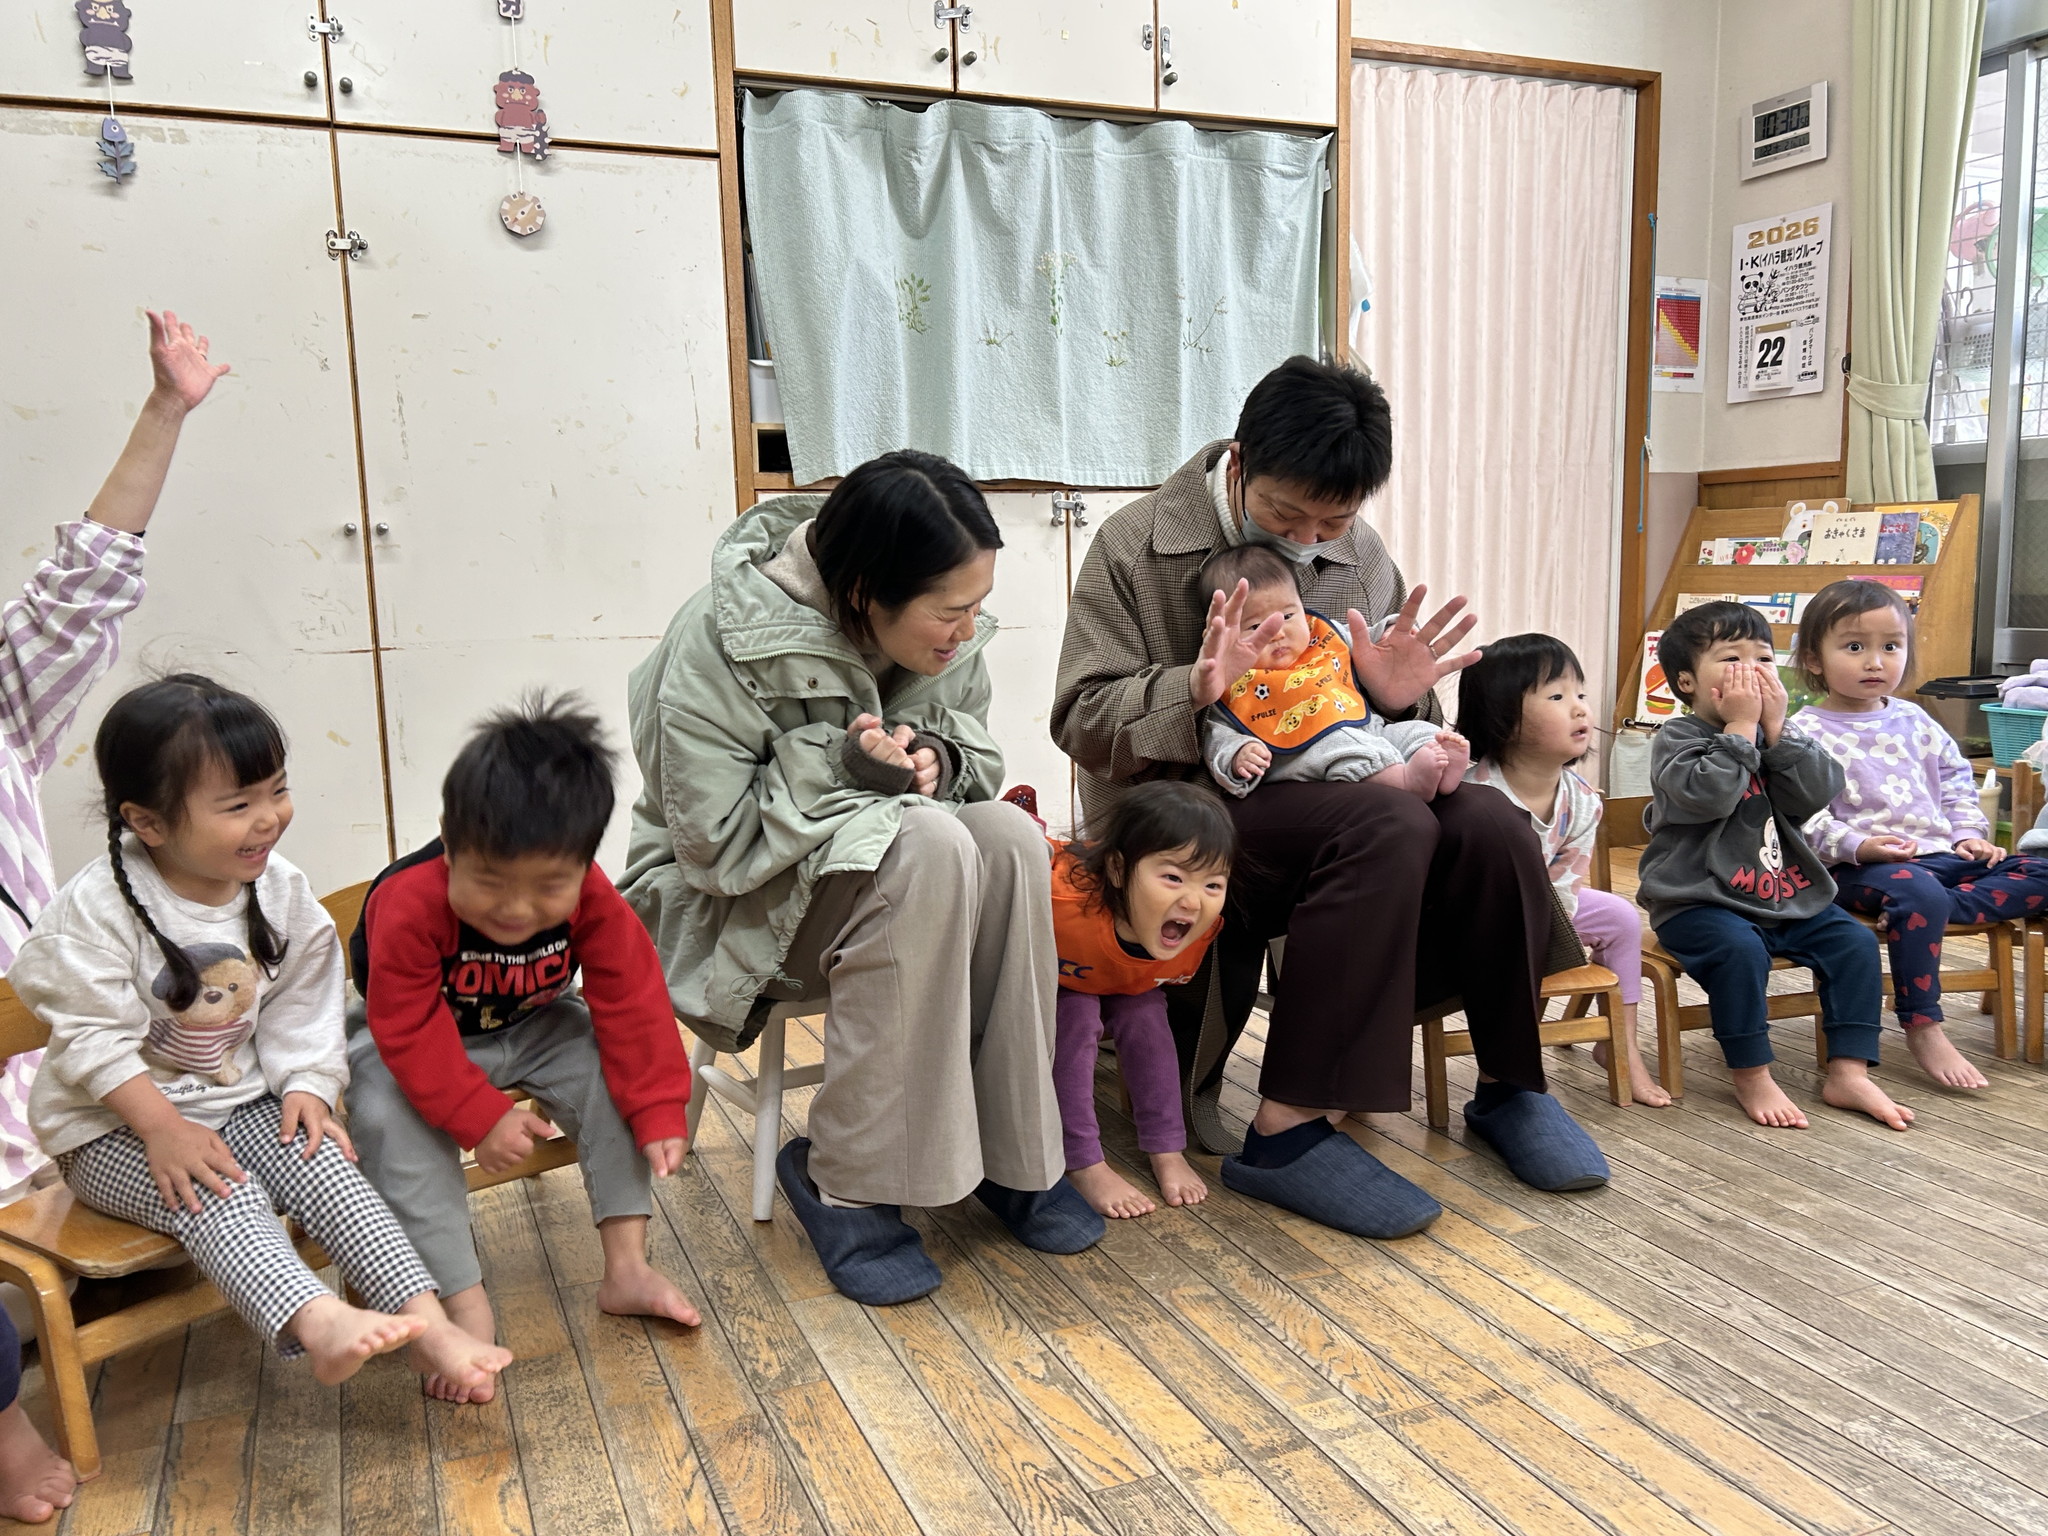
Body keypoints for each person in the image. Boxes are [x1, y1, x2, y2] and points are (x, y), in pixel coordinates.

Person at [1053, 356, 1607, 1239]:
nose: (1310, 538)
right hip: (1194, 807)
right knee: (1386, 818)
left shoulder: (1358, 554)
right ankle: (1289, 1126)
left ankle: (1512, 1086)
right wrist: (1193, 689)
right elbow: (1080, 717)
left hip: (1344, 786)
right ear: (1240, 462)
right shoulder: (1135, 544)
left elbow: (1389, 721)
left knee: (1489, 820)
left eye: (1335, 521)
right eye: (1285, 515)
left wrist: (1399, 696)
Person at [621, 449, 1098, 1308]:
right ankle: (845, 1180)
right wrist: (845, 768)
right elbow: (711, 849)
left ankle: (1014, 1156)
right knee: (929, 844)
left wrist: (939, 757)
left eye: (978, 606)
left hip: (885, 889)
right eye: (949, 612)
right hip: (723, 908)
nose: (967, 631)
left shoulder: (940, 634)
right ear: (864, 592)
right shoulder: (715, 639)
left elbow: (974, 757)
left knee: (1007, 838)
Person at [8, 676, 511, 1398]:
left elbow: (305, 1000)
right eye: (238, 805)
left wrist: (309, 1085)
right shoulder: (94, 911)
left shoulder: (279, 889)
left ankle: (431, 1327)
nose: (270, 818)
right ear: (148, 823)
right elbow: (93, 1041)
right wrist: (162, 1129)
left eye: (277, 790)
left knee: (329, 1166)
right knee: (221, 1194)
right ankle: (318, 1321)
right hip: (111, 1132)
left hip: (236, 1105)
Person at [345, 696, 700, 1401]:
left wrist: (660, 1107)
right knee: (386, 1112)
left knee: (610, 1070)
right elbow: (405, 1026)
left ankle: (627, 1266)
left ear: (584, 863)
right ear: (449, 843)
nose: (515, 909)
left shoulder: (593, 896)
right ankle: (459, 1305)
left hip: (537, 1022)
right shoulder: (408, 900)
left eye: (548, 888)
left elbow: (632, 998)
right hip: (417, 1035)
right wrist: (479, 1117)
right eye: (489, 882)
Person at [1637, 603, 1910, 1131]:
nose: (1752, 671)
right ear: (1687, 682)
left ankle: (1848, 1071)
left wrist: (1778, 730)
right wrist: (1741, 726)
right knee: (1740, 953)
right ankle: (1751, 1073)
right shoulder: (1677, 738)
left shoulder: (1778, 737)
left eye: (1763, 658)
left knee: (1854, 944)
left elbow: (1817, 792)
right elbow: (1709, 796)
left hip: (1781, 894)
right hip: (1697, 900)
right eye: (1731, 659)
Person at [1791, 579, 2048, 1090]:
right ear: (1814, 659)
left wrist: (1968, 834)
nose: (1875, 662)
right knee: (1917, 891)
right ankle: (1923, 1023)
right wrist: (1860, 846)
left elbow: (1956, 781)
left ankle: (1926, 910)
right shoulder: (1803, 732)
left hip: (1940, 860)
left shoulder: (1914, 718)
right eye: (1854, 647)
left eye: (1891, 646)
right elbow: (1800, 815)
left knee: (2039, 870)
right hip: (1859, 869)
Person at [1457, 634, 1669, 1106]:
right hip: (1477, 923)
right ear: (1501, 715)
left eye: (1581, 694)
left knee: (1619, 917)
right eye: (1556, 696)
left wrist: (1547, 932)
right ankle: (1511, 1062)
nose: (1579, 709)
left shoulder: (1582, 800)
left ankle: (1621, 1047)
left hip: (1548, 910)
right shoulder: (1472, 793)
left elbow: (1568, 882)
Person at [1052, 781, 1233, 1218]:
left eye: (1213, 884)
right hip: (1057, 986)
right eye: (1173, 878)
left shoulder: (1202, 930)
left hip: (1122, 982)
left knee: (1148, 1014)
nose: (1193, 901)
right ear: (1117, 870)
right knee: (1077, 1013)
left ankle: (1166, 1148)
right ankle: (1081, 1160)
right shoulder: (1061, 900)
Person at [1196, 545, 1470, 801]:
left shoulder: (1323, 635)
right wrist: (1239, 753)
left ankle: (1443, 771)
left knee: (1417, 733)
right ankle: (1406, 781)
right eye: (1255, 627)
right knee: (1347, 748)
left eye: (1288, 616)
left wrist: (1388, 631)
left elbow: (1368, 642)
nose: (1277, 633)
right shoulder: (1230, 679)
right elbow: (1215, 734)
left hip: (1369, 729)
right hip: (1307, 753)